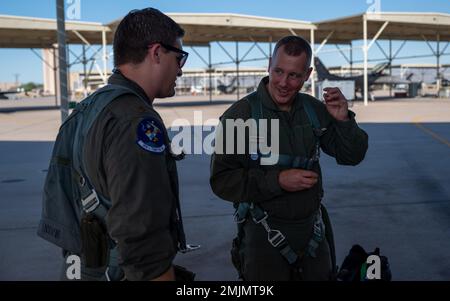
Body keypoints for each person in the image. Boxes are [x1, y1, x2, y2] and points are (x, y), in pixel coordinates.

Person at [210, 35, 368, 281]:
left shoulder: (314, 110)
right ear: (268, 66)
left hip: (312, 232)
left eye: (294, 75)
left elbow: (352, 156)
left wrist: (343, 120)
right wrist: (278, 181)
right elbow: (222, 181)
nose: (283, 83)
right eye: (278, 71)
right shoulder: (240, 116)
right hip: (263, 235)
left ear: (308, 74)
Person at [59, 8, 190, 281]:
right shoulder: (135, 121)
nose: (180, 68)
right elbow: (139, 228)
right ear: (156, 53)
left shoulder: (89, 108)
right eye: (178, 58)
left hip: (82, 266)